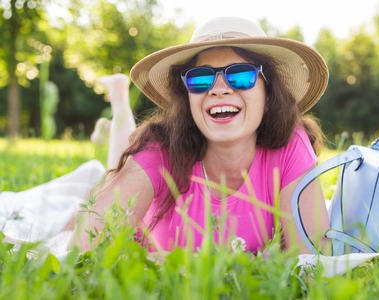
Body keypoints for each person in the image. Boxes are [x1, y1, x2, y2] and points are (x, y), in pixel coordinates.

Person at [69, 16, 331, 255]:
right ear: (186, 96)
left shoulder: (290, 143)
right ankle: (119, 100)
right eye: (200, 79)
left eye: (240, 75)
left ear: (269, 91)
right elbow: (81, 251)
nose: (219, 89)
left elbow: (313, 259)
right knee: (106, 172)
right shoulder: (159, 148)